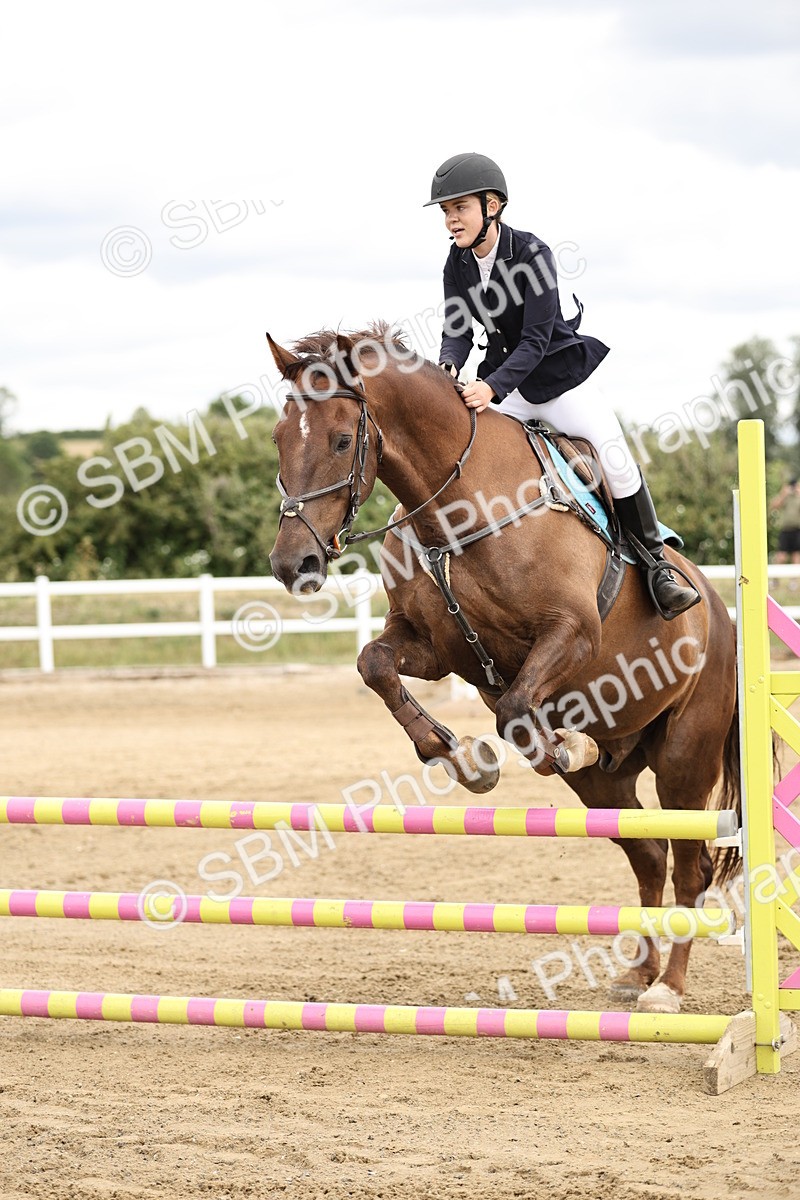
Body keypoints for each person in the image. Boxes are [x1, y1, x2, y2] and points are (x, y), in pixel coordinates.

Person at [424, 152, 700, 619]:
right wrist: (449, 365)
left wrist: (491, 388)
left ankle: (658, 567)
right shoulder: (457, 263)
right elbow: (457, 330)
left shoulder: (532, 253)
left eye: (460, 208)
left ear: (492, 205)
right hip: (506, 389)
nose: (451, 220)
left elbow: (536, 340)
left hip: (556, 380)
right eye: (446, 212)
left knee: (615, 459)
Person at [770, 479, 800, 566]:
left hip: (797, 529)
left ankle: (794, 579)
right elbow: (773, 506)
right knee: (781, 556)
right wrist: (783, 494)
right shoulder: (785, 497)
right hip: (786, 529)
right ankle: (775, 578)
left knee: (796, 556)